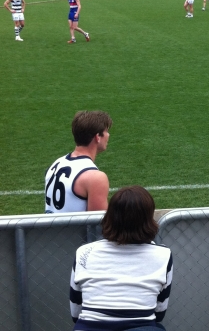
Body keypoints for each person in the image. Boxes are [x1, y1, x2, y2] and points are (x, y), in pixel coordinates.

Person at [70, 185, 173, 331]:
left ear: (110, 216)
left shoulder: (84, 252)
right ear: (148, 219)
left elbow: (76, 313)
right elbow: (159, 312)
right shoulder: (163, 254)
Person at [45, 110, 112, 213]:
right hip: (74, 230)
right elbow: (99, 225)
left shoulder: (56, 164)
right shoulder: (95, 178)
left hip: (51, 229)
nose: (108, 135)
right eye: (106, 131)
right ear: (97, 137)